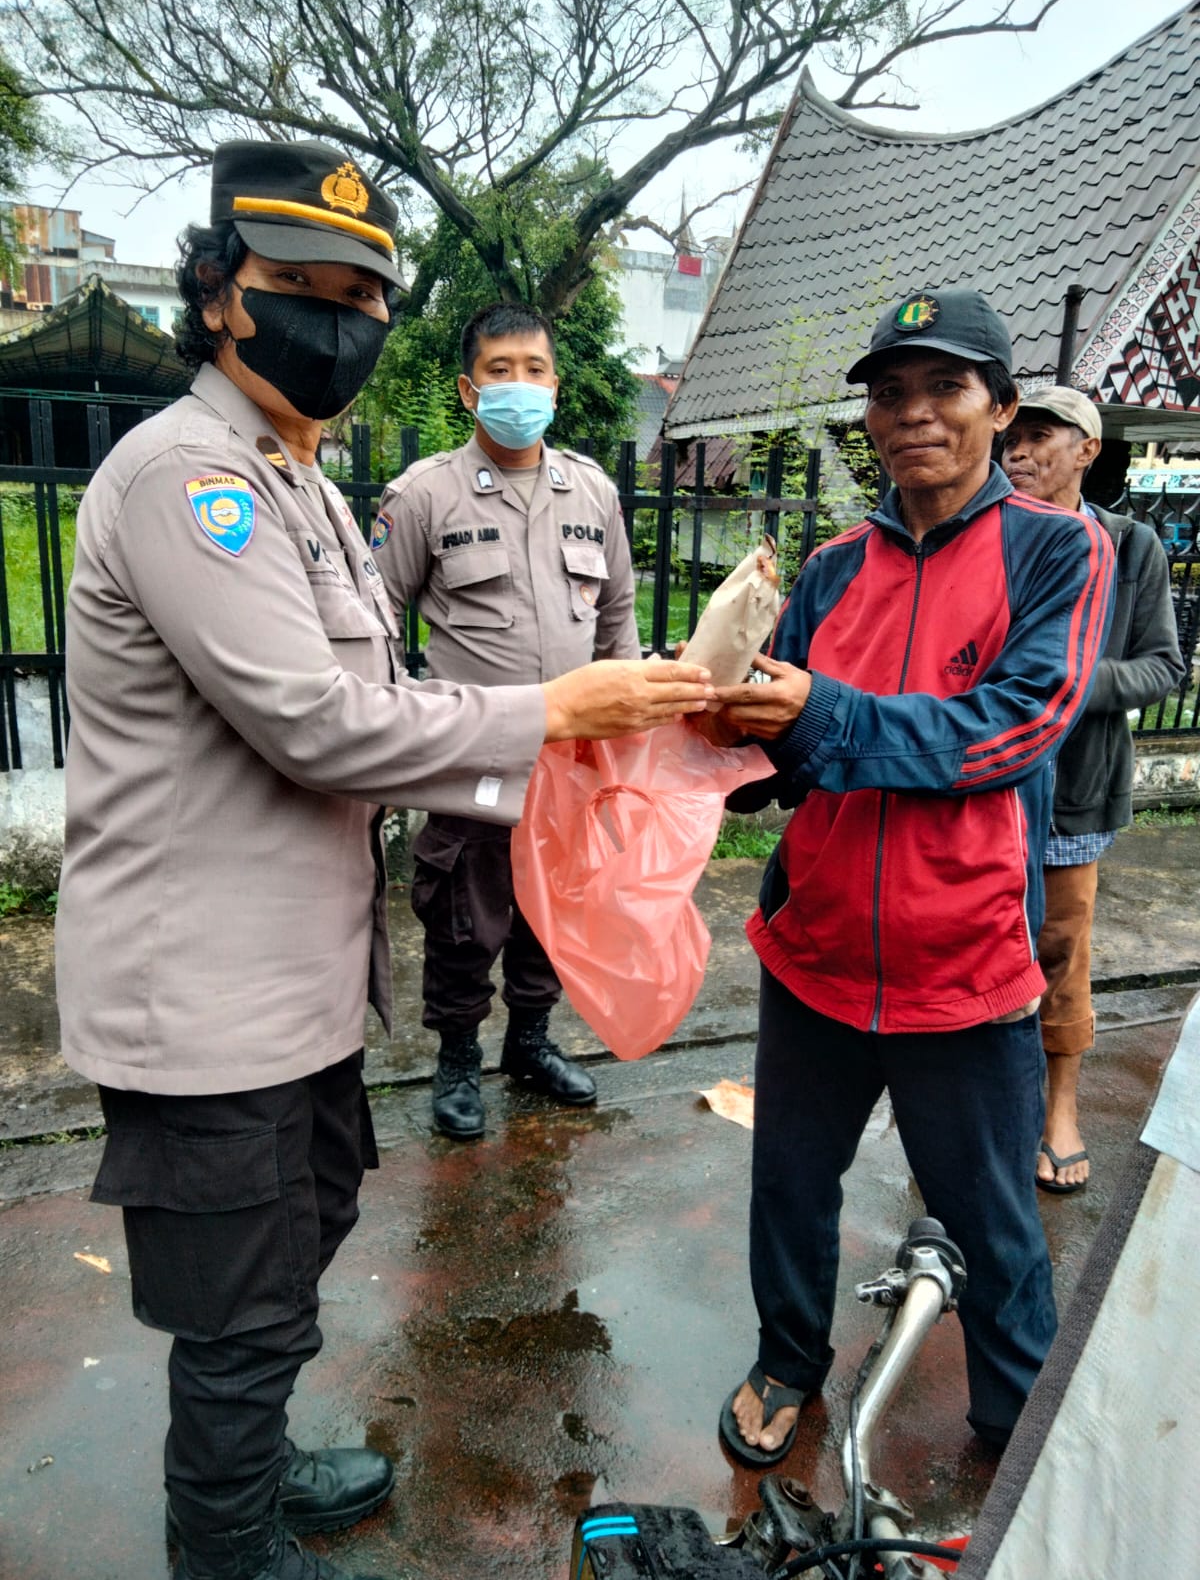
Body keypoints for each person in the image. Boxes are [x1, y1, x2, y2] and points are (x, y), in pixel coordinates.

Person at [54, 138, 713, 1580]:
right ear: (223, 292)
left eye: (364, 295)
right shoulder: (190, 480)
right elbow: (316, 721)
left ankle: (260, 1464)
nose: (340, 318)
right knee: (238, 1306)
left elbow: (391, 696)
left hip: (293, 983)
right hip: (204, 1000)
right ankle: (224, 1548)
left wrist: (595, 718)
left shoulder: (297, 482)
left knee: (294, 1249)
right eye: (302, 285)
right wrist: (548, 715)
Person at [704, 288, 1115, 1464]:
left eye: (945, 386)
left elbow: (1010, 730)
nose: (914, 413)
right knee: (790, 1185)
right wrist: (706, 732)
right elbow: (789, 747)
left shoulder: (1058, 550)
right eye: (890, 393)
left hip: (965, 961)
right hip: (819, 946)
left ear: (1001, 404)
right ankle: (789, 1359)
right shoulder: (834, 568)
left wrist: (820, 710)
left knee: (990, 1217)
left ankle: (1014, 1413)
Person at [372, 303, 640, 1138]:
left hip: (571, 763)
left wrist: (625, 729)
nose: (518, 385)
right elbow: (371, 619)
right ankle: (457, 1061)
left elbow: (618, 619)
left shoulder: (591, 490)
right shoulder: (424, 495)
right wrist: (405, 719)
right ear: (467, 389)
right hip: (473, 760)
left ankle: (530, 1041)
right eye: (499, 370)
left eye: (533, 369)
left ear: (555, 385)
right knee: (462, 916)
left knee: (550, 911)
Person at [1001, 388, 1184, 1194]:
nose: (1019, 451)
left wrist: (1069, 684)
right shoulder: (982, 534)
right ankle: (973, 1111)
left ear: (1087, 450)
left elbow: (1163, 667)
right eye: (1013, 436)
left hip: (1074, 786)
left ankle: (1059, 1111)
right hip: (981, 783)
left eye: (1042, 436)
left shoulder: (1130, 545)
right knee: (972, 948)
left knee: (1058, 951)